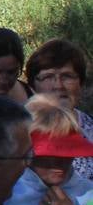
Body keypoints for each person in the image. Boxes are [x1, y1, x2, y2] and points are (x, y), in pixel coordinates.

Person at [27, 40, 93, 179]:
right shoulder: (17, 130)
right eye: (48, 77)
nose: (58, 85)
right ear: (32, 85)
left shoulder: (90, 128)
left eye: (67, 76)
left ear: (80, 83)